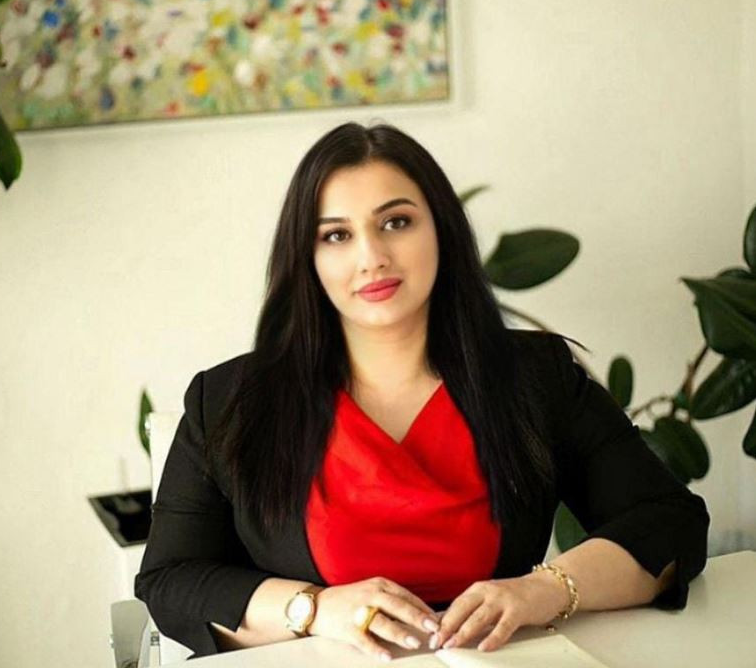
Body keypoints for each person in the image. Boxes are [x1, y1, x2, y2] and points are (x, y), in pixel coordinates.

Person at [134, 122, 709, 661]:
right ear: (307, 258)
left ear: (441, 229)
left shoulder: (535, 377)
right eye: (336, 235)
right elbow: (170, 580)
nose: (372, 257)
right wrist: (313, 608)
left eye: (396, 222)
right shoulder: (231, 399)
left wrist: (543, 590)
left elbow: (669, 523)